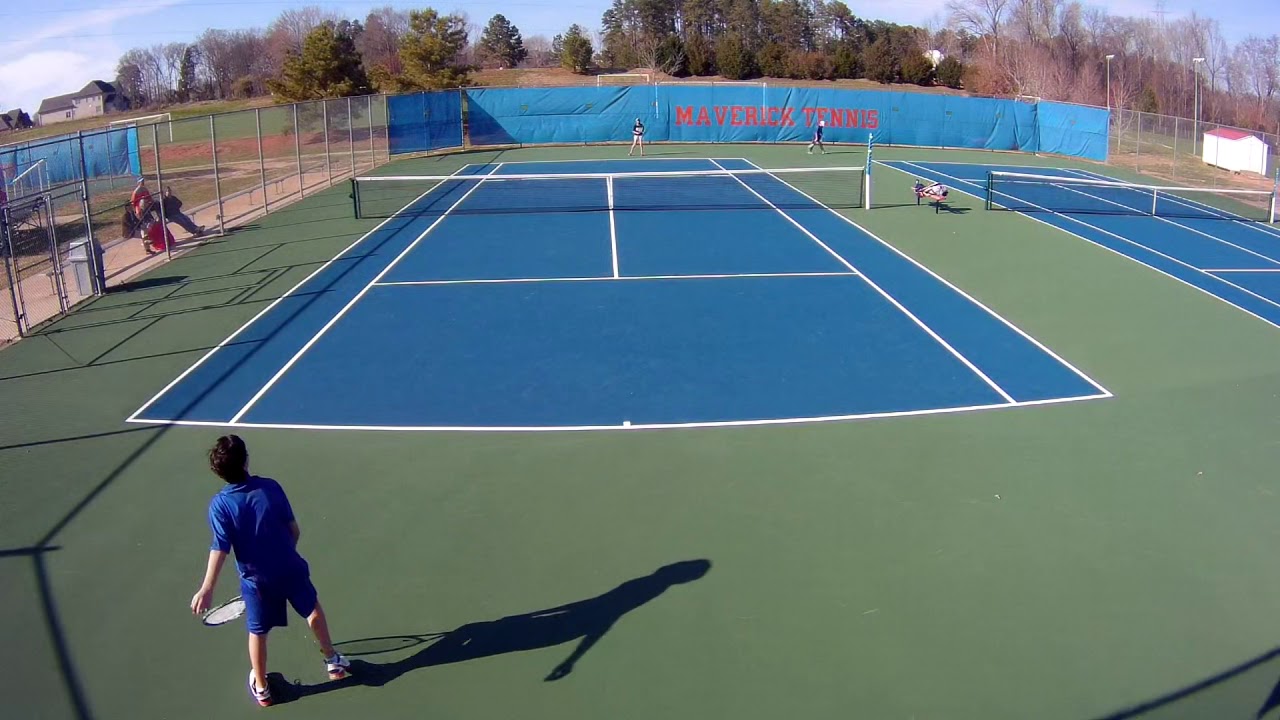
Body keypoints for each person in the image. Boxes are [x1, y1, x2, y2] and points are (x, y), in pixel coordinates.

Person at [189, 435, 351, 707]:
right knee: (312, 610)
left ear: (218, 471)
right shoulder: (270, 488)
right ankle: (333, 662)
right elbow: (294, 529)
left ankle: (262, 689)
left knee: (258, 632)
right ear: (246, 460)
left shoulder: (220, 506)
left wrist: (207, 588)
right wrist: (285, 553)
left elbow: (220, 547)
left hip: (257, 581)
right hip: (289, 566)